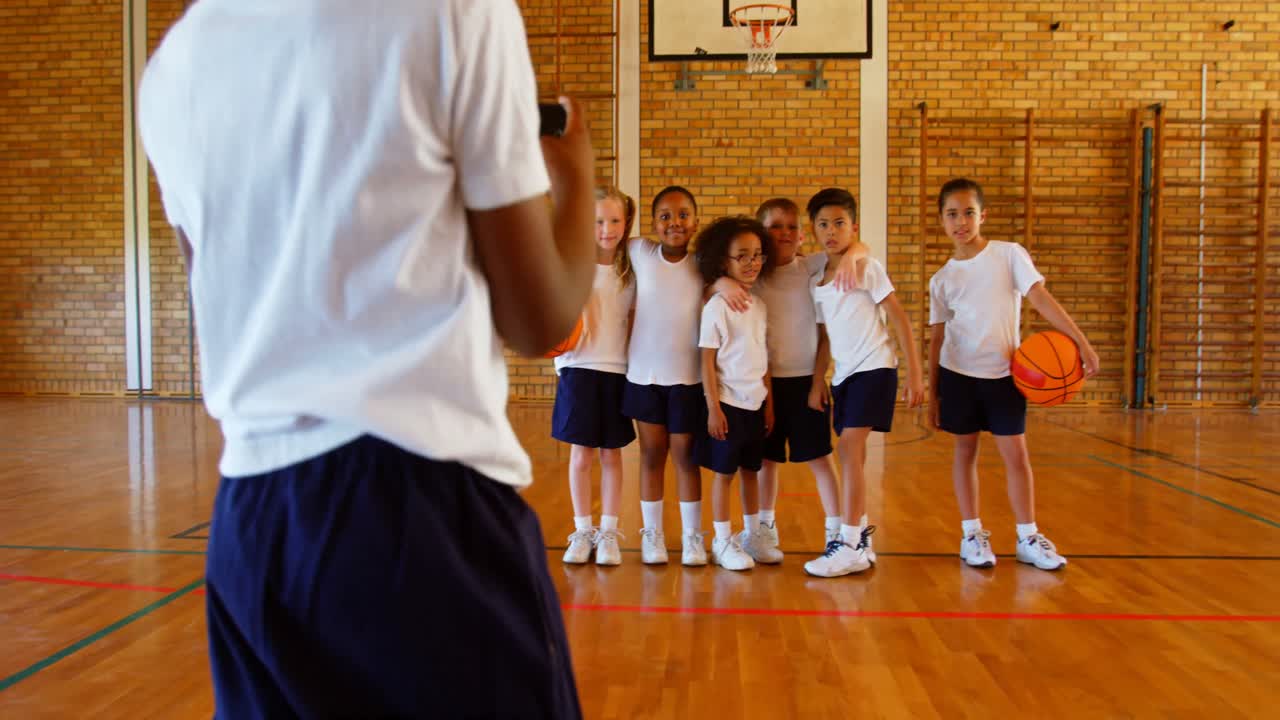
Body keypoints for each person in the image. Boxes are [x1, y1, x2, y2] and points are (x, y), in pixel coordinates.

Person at [139, 1, 593, 716]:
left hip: (251, 521)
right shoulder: (452, 10)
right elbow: (541, 321)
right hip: (416, 502)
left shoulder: (176, 61)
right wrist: (578, 180)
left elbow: (214, 294)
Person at [928, 178, 1100, 571]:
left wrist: (1082, 343)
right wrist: (933, 394)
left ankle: (1027, 536)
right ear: (941, 220)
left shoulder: (1008, 255)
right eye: (952, 214)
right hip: (958, 375)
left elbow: (1041, 299)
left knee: (1016, 455)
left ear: (983, 216)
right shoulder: (942, 279)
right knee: (965, 452)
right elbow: (936, 340)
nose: (961, 221)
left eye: (968, 213)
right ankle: (971, 534)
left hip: (1006, 376)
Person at [737, 198, 868, 563]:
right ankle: (763, 529)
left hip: (806, 384)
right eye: (775, 226)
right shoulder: (751, 276)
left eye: (792, 227)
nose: (784, 233)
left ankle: (837, 531)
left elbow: (858, 246)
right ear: (761, 232)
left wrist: (817, 379)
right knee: (766, 461)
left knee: (819, 458)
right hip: (763, 386)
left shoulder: (812, 267)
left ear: (801, 234)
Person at [804, 188, 924, 578]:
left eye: (839, 223)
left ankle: (850, 542)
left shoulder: (866, 267)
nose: (831, 231)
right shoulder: (817, 280)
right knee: (854, 457)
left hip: (875, 368)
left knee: (848, 448)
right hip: (844, 376)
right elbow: (824, 337)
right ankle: (861, 539)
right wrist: (818, 380)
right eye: (823, 224)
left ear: (854, 227)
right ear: (814, 229)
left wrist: (916, 373)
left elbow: (900, 319)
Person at [624, 186, 708, 566]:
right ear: (653, 222)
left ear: (695, 221)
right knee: (651, 454)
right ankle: (652, 535)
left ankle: (692, 537)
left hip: (688, 378)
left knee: (686, 457)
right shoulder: (640, 252)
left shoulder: (703, 263)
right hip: (644, 376)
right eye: (665, 216)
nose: (675, 222)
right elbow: (601, 235)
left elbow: (730, 276)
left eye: (683, 214)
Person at [555, 187, 637, 566]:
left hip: (617, 370)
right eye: (598, 221)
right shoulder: (572, 267)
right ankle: (583, 530)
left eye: (615, 220)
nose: (607, 229)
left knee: (611, 455)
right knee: (581, 455)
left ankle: (608, 533)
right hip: (577, 369)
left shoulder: (630, 270)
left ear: (626, 222)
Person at [694, 216, 776, 570]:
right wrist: (713, 408)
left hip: (756, 404)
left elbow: (763, 358)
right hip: (728, 404)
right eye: (742, 255)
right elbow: (706, 361)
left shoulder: (760, 306)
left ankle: (753, 535)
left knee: (751, 471)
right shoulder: (716, 307)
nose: (751, 262)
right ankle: (722, 540)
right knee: (724, 475)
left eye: (757, 254)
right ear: (723, 261)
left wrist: (769, 403)